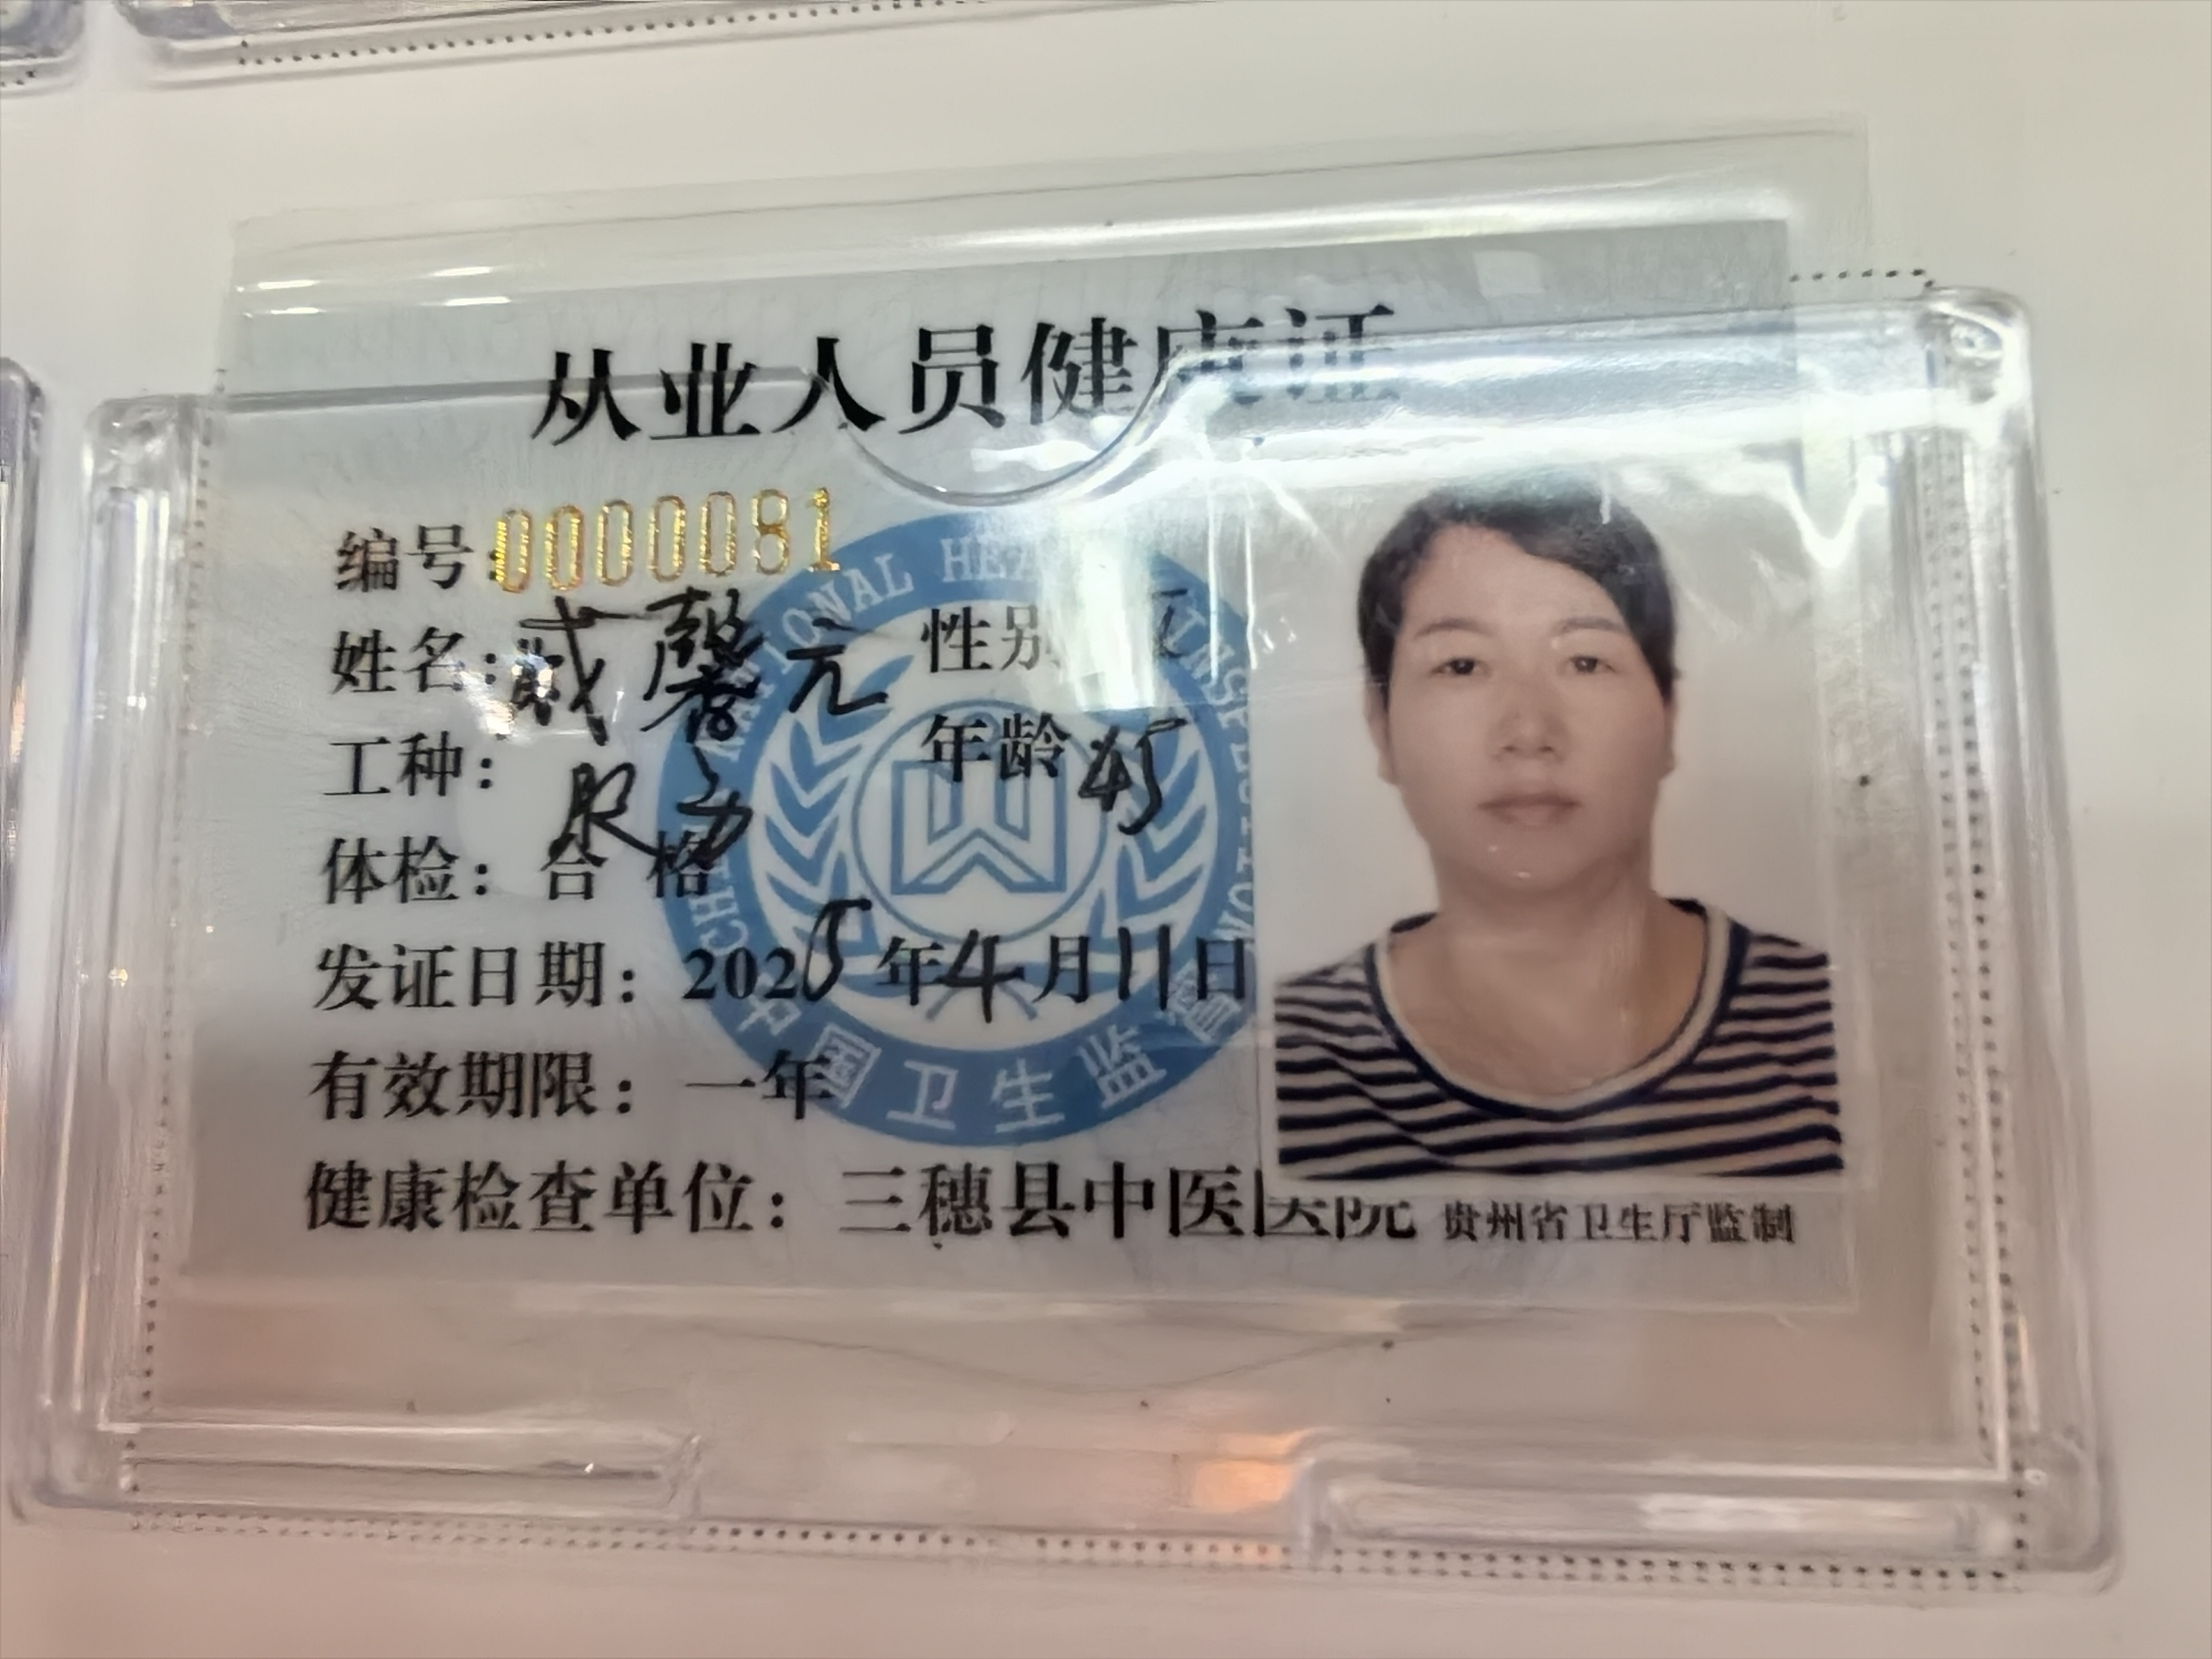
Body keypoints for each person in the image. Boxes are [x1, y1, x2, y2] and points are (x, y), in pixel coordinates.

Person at [1273, 478, 1842, 1180]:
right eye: (1461, 665)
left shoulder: (1837, 1030)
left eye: (1585, 661)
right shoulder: (1277, 1063)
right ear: (1380, 727)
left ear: (1667, 716)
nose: (1529, 731)